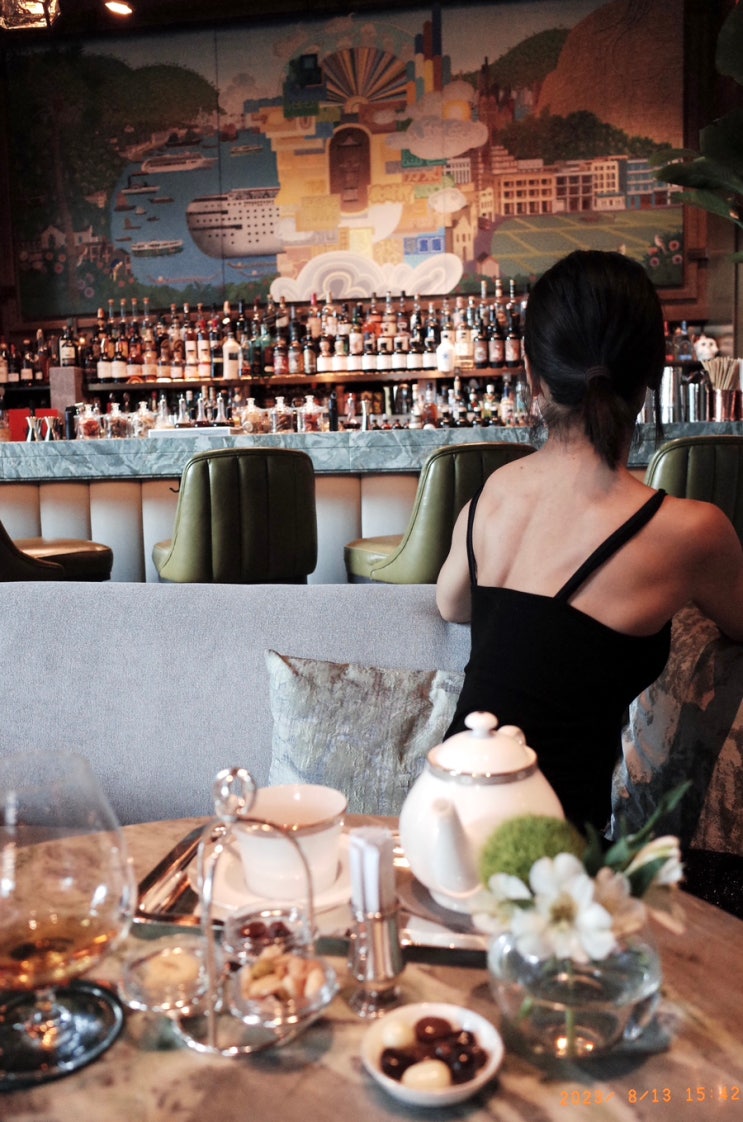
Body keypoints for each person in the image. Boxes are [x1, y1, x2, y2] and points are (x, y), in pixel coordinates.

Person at [436, 249, 743, 833]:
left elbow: (451, 604)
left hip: (436, 817)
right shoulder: (691, 532)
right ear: (651, 374)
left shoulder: (495, 493)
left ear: (533, 374)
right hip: (546, 854)